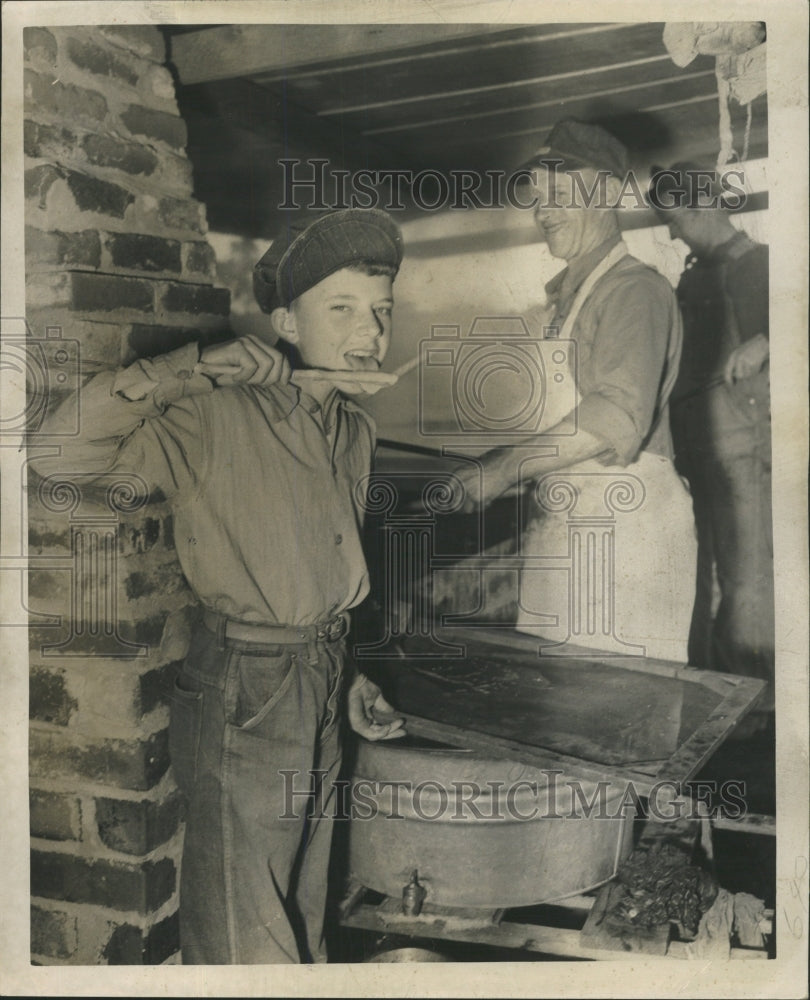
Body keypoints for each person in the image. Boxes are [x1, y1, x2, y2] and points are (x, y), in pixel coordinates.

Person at [33, 207, 407, 964]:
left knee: (305, 912)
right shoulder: (213, 414)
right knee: (247, 938)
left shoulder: (355, 430)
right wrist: (190, 368)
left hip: (322, 679)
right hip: (247, 687)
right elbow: (53, 458)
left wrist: (352, 674)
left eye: (381, 310)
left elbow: (318, 569)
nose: (369, 331)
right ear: (285, 322)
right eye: (341, 308)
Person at [455, 120, 696, 662]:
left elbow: (613, 417)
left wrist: (499, 470)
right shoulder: (569, 297)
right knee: (555, 705)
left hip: (627, 533)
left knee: (618, 712)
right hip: (568, 521)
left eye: (561, 192)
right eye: (538, 196)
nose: (543, 210)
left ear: (609, 192)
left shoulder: (634, 289)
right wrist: (502, 461)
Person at [648, 163, 773, 716]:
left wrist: (769, 339)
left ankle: (760, 708)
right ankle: (709, 703)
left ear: (702, 208)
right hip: (693, 452)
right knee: (693, 579)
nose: (673, 232)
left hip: (740, 452)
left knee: (747, 578)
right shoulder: (697, 273)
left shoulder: (759, 266)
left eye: (674, 219)